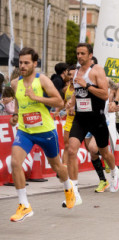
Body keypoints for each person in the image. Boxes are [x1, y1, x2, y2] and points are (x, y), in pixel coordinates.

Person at [9, 47, 75, 222]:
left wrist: (37, 98)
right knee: (15, 162)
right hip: (25, 131)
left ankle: (68, 188)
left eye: (26, 63)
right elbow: (17, 100)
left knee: (57, 167)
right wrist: (16, 115)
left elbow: (59, 101)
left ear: (35, 64)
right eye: (20, 62)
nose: (22, 66)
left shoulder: (43, 81)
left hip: (45, 131)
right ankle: (24, 205)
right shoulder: (15, 83)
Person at [66, 43, 119, 205]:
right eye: (78, 53)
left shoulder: (97, 71)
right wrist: (71, 102)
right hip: (80, 119)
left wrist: (87, 85)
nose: (79, 56)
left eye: (83, 53)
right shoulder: (75, 73)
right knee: (71, 150)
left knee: (104, 152)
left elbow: (104, 95)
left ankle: (114, 171)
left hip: (97, 118)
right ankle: (74, 191)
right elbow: (77, 91)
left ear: (90, 55)